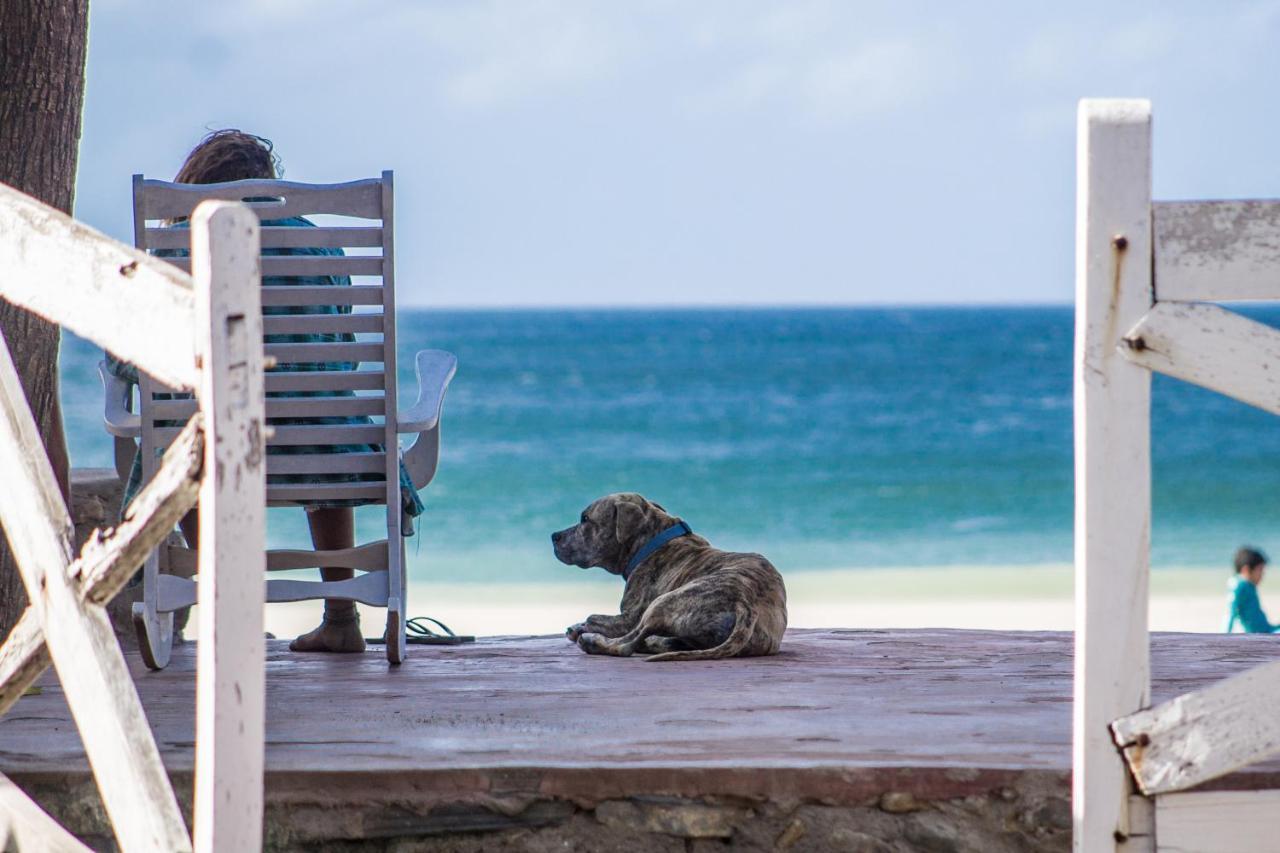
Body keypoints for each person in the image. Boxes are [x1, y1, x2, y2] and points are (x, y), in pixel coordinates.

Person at [108, 129, 424, 653]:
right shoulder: (321, 244)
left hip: (212, 455)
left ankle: (229, 610)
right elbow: (340, 354)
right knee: (326, 418)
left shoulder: (176, 245)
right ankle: (342, 617)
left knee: (178, 438)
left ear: (199, 184)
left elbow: (133, 361)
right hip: (322, 458)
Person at [1225, 546, 1280, 633]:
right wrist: (1224, 637)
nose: (1262, 575)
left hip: (1267, 629)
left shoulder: (1250, 586)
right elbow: (1230, 613)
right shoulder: (1239, 585)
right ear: (1246, 570)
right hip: (1262, 634)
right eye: (1260, 570)